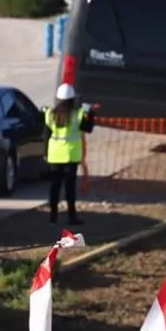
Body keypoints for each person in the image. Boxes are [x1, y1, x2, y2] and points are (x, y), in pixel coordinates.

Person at [44, 83, 96, 226]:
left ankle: (53, 216)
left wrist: (45, 154)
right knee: (69, 188)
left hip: (54, 155)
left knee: (54, 186)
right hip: (70, 155)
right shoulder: (78, 114)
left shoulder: (50, 114)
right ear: (72, 99)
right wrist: (90, 114)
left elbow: (46, 135)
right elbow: (88, 128)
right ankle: (71, 217)